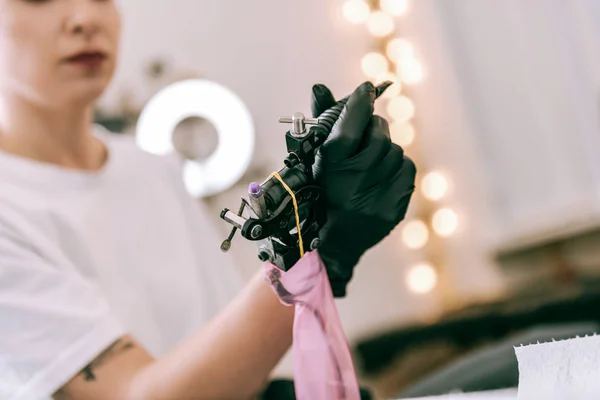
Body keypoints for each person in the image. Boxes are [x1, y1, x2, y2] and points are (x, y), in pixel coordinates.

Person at [0, 1, 416, 399]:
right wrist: (316, 253)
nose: (84, 18)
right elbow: (133, 394)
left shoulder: (152, 170)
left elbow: (236, 366)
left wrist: (316, 247)